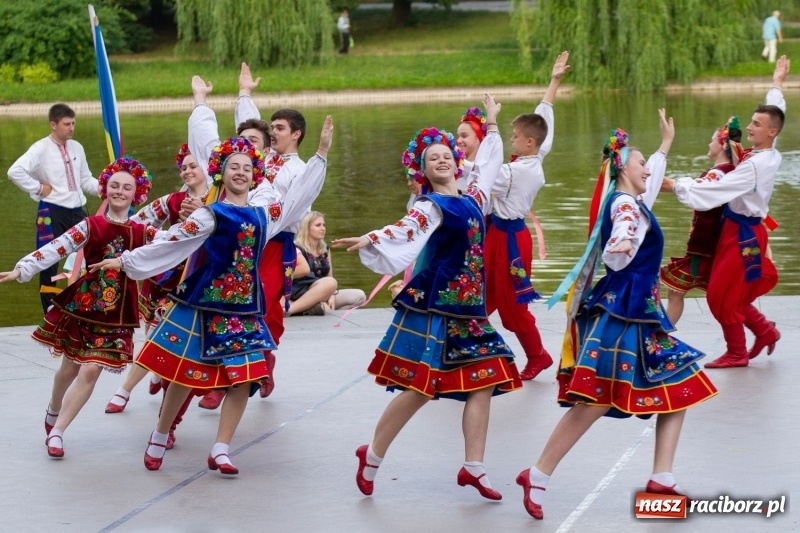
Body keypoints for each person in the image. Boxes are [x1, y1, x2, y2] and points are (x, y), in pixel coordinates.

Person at [90, 124, 331, 475]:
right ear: (221, 171)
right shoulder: (209, 213)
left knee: (245, 377)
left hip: (243, 308)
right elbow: (172, 242)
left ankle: (221, 448)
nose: (241, 172)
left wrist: (321, 155)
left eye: (248, 168)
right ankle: (159, 433)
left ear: (255, 177)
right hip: (203, 303)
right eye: (234, 166)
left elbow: (296, 199)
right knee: (181, 373)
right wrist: (126, 261)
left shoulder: (265, 216)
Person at [516, 114, 718, 520]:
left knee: (677, 386)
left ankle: (662, 477)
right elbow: (624, 229)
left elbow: (639, 201)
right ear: (623, 167)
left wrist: (665, 144)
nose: (648, 170)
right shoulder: (625, 205)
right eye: (642, 164)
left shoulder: (630, 198)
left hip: (639, 313)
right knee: (594, 400)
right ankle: (537, 474)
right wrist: (622, 243)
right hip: (625, 313)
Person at [334, 95, 523, 501]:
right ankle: (372, 456)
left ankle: (474, 466)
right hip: (437, 307)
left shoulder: (474, 199)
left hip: (470, 310)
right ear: (422, 170)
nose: (440, 161)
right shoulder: (431, 205)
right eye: (431, 158)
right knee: (421, 389)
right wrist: (371, 236)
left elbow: (489, 164)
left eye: (445, 155)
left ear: (457, 162)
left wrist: (491, 123)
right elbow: (406, 227)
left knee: (486, 379)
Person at [0, 157, 153, 458]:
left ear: (138, 194)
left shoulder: (142, 232)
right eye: (114, 186)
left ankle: (57, 433)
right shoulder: (90, 225)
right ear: (105, 189)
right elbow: (58, 246)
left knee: (91, 370)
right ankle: (53, 408)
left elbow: (171, 248)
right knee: (68, 368)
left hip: (116, 314)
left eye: (127, 187)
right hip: (83, 306)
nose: (120, 192)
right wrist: (23, 268)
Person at [661, 56, 789, 368]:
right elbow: (775, 114)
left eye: (756, 125)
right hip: (738, 230)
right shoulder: (763, 152)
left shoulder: (754, 166)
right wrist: (777, 84)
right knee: (727, 291)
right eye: (751, 121)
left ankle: (737, 352)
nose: (749, 128)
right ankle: (763, 331)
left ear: (771, 132)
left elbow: (710, 193)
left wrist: (671, 185)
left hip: (742, 234)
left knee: (720, 295)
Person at [188, 70, 287, 406]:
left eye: (253, 148)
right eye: (238, 148)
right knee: (203, 313)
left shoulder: (274, 175)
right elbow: (205, 138)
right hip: (218, 249)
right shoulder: (226, 164)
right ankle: (202, 384)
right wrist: (202, 98)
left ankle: (256, 368)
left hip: (266, 247)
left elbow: (293, 204)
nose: (243, 155)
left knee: (265, 311)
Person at [103, 144, 211, 448]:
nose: (189, 171)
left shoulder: (220, 201)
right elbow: (138, 222)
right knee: (157, 336)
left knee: (165, 340)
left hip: (195, 281)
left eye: (194, 165)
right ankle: (140, 387)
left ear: (206, 167)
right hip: (164, 278)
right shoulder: (173, 200)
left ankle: (129, 391)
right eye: (184, 167)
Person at [484, 51, 569, 381]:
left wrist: (445, 161)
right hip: (500, 235)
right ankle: (465, 343)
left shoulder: (513, 172)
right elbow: (543, 115)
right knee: (484, 293)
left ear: (529, 142)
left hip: (508, 241)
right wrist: (555, 80)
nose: (512, 140)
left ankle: (538, 355)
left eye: (515, 137)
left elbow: (482, 174)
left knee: (511, 306)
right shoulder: (536, 155)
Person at [7, 103, 99, 313]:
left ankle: (85, 305)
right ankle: (49, 311)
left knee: (90, 255)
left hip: (77, 210)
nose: (71, 128)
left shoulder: (77, 147)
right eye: (66, 124)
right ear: (53, 124)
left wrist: (107, 187)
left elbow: (85, 180)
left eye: (73, 123)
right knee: (48, 261)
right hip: (51, 211)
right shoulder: (40, 148)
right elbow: (15, 171)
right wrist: (38, 188)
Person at [659, 116, 744, 325]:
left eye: (712, 139)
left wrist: (650, 179)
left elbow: (697, 191)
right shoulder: (724, 173)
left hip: (707, 249)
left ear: (722, 145)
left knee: (678, 290)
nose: (708, 143)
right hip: (709, 247)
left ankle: (658, 337)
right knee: (679, 291)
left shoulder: (719, 175)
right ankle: (762, 329)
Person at [287, 211, 366, 316]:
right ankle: (307, 308)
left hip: (325, 290)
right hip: (302, 293)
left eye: (324, 225)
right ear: (307, 228)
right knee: (328, 288)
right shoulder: (297, 248)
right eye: (318, 225)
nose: (323, 228)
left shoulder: (324, 249)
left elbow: (329, 276)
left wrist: (331, 295)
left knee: (359, 296)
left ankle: (318, 310)